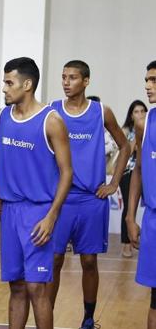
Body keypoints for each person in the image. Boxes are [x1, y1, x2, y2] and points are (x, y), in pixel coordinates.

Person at [0, 57, 73, 329]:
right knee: (16, 286)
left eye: (9, 82)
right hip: (10, 212)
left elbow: (67, 172)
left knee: (37, 289)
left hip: (38, 213)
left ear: (27, 84)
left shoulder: (51, 121)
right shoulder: (2, 116)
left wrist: (51, 216)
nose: (4, 88)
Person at [48, 61, 130, 329]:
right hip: (61, 198)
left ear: (86, 81)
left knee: (89, 261)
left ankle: (87, 318)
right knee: (55, 259)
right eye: (63, 77)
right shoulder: (53, 111)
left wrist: (114, 182)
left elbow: (125, 146)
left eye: (72, 77)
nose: (66, 82)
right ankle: (45, 315)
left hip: (91, 199)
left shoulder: (100, 112)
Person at [126, 60, 156, 329]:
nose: (148, 86)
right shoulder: (143, 123)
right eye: (147, 80)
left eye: (154, 80)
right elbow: (138, 171)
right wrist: (129, 217)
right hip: (154, 220)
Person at [119, 99, 148, 258]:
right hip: (129, 172)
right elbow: (125, 153)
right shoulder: (125, 130)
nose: (140, 114)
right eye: (136, 111)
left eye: (142, 111)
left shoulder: (149, 127)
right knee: (128, 209)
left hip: (147, 171)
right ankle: (126, 244)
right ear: (131, 115)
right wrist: (136, 142)